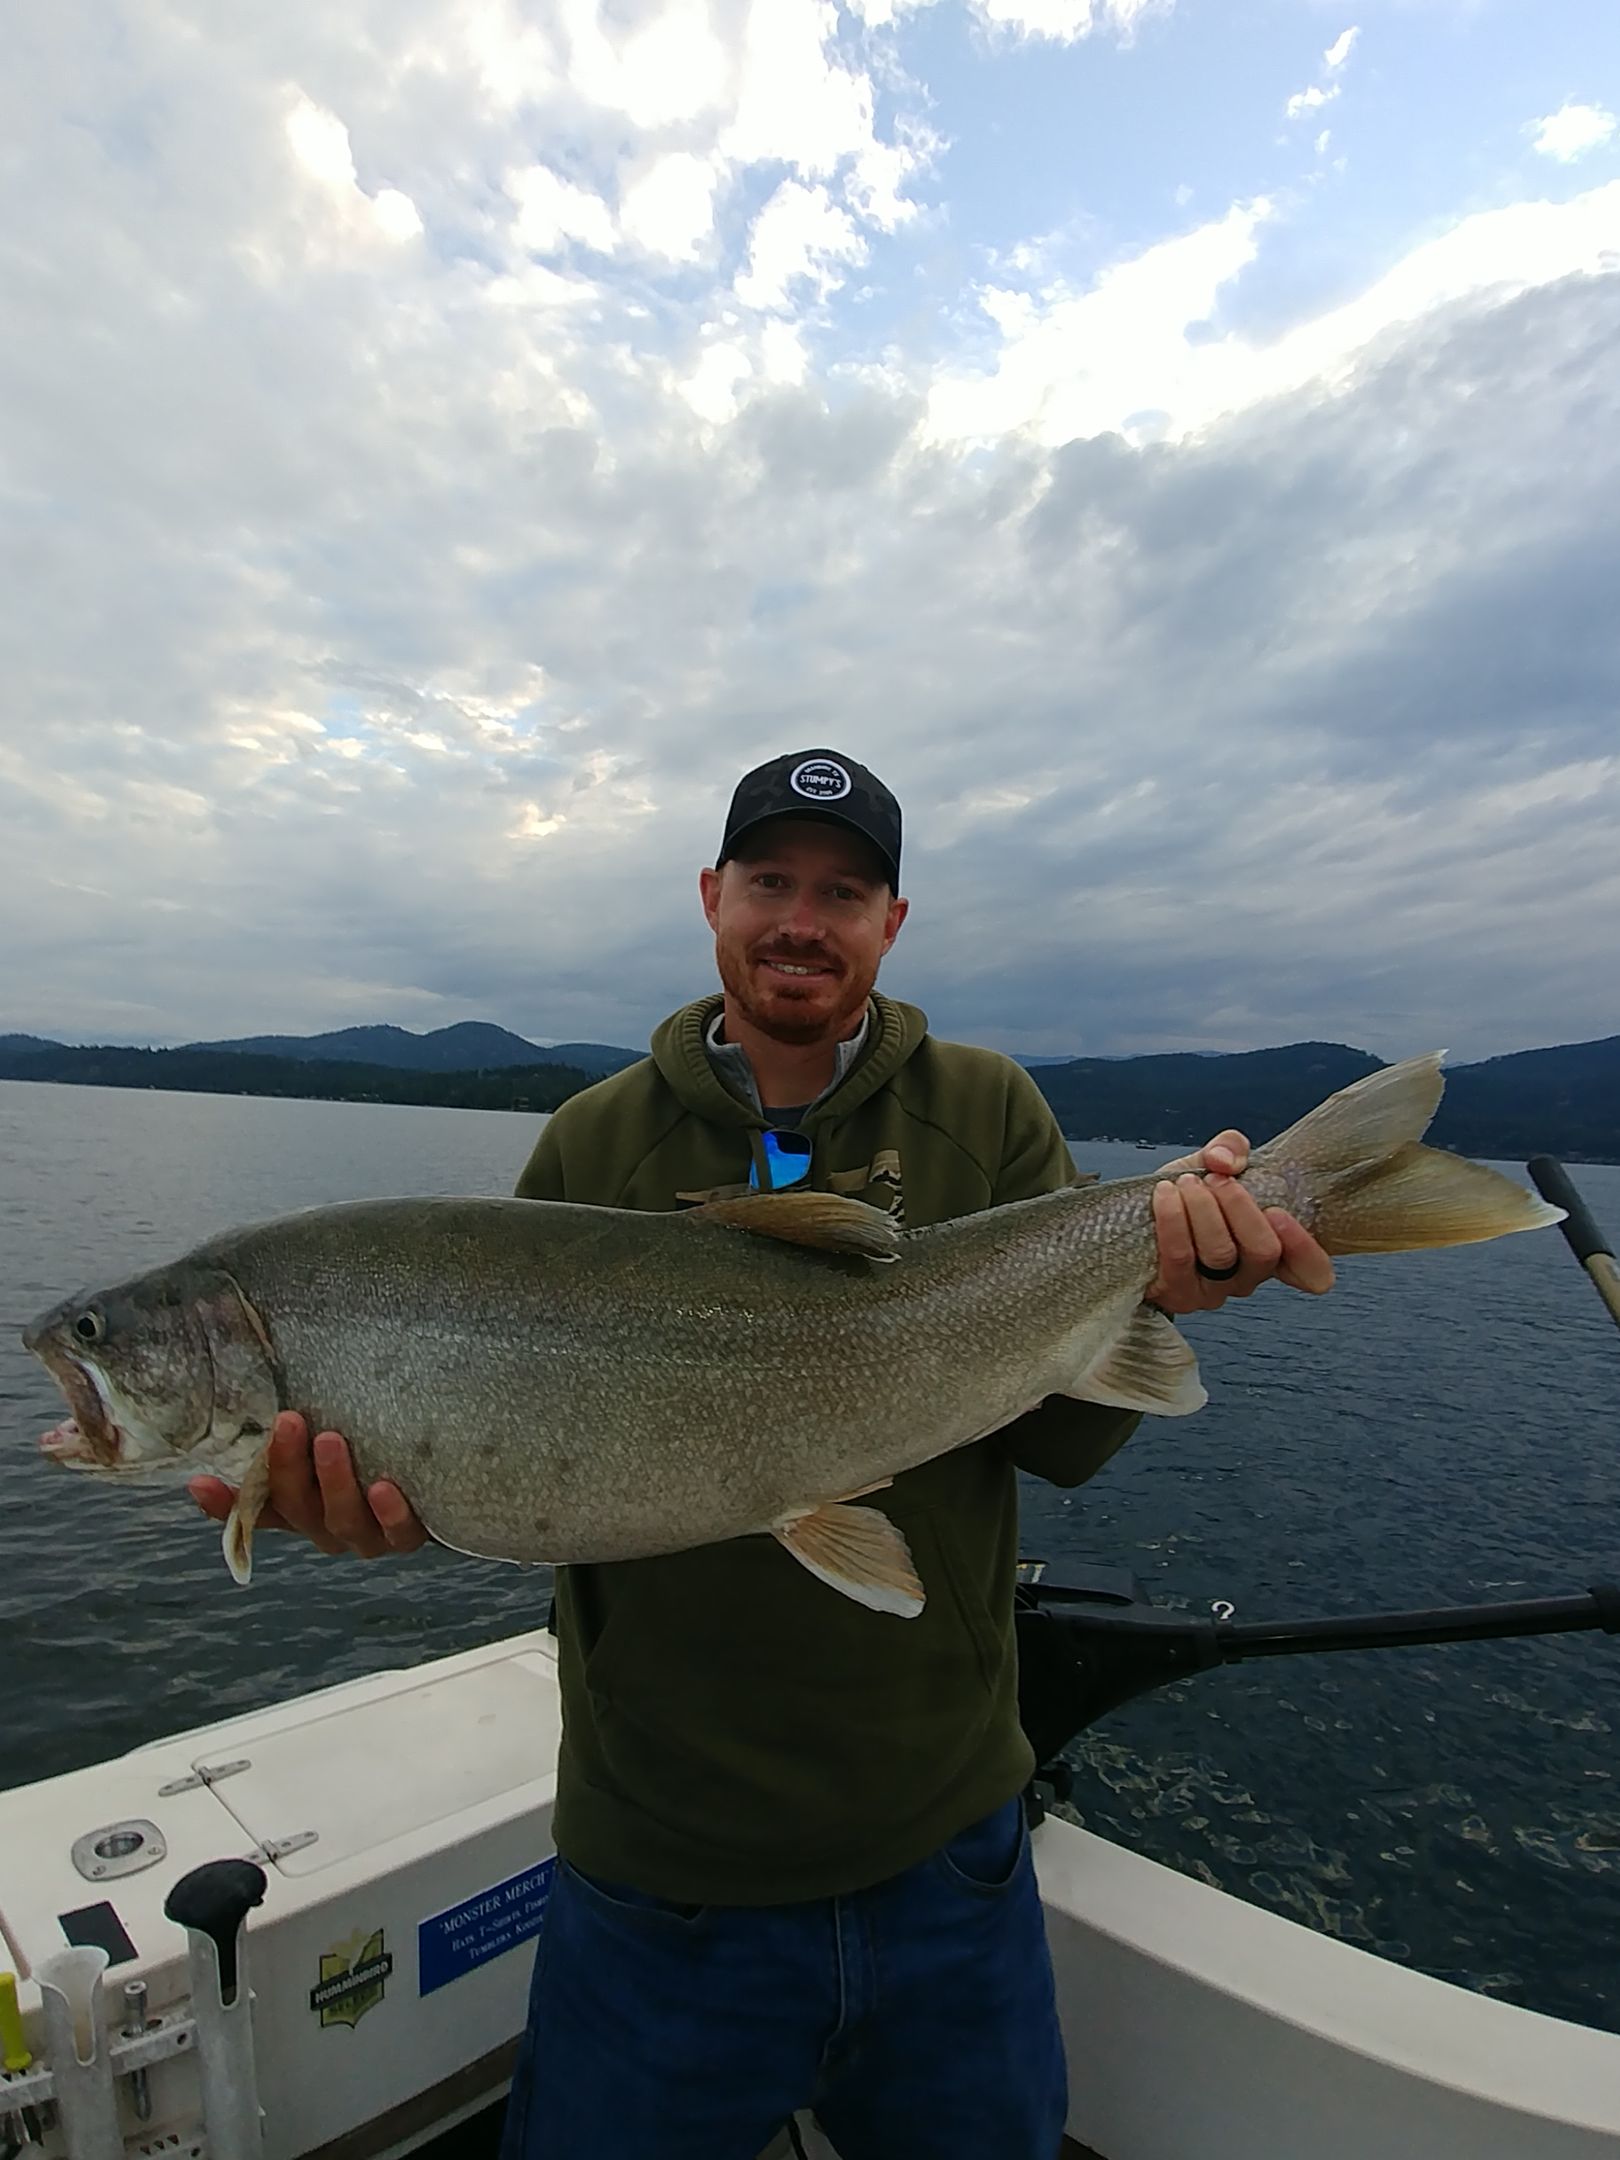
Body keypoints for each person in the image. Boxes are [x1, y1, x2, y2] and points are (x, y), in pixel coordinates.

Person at [190, 749, 1334, 2160]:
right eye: (771, 881)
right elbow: (520, 1464)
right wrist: (396, 1504)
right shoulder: (593, 1143)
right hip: (660, 1870)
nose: (802, 917)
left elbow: (1060, 1435)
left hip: (945, 1848)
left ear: (891, 923)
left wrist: (1157, 1285)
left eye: (842, 890)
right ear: (712, 897)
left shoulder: (988, 1116)